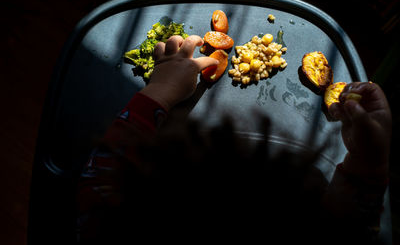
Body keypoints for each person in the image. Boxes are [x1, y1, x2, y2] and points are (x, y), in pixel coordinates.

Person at [76, 35, 392, 244]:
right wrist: (368, 163)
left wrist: (159, 91)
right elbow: (347, 233)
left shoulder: (102, 227)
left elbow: (99, 180)